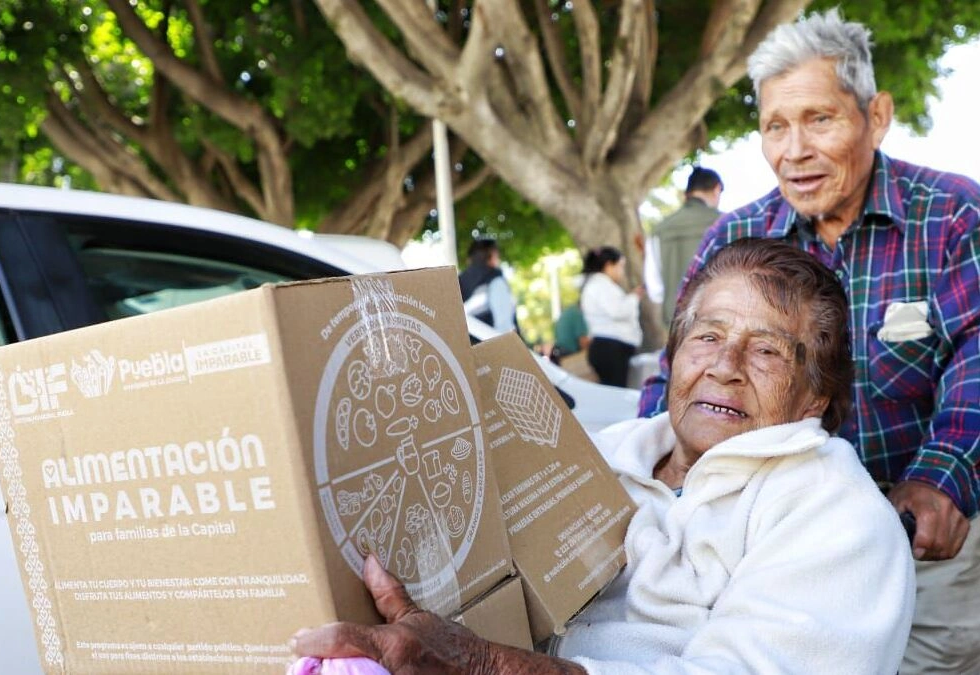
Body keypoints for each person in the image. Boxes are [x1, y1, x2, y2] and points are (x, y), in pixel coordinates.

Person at [291, 238, 915, 674]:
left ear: (816, 398)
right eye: (707, 337)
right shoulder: (601, 454)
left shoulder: (840, 518)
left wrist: (482, 665)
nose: (723, 367)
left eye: (768, 353)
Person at [638, 11, 980, 674]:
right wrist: (645, 463)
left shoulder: (953, 212)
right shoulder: (735, 237)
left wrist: (940, 482)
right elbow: (679, 368)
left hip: (921, 543)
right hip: (767, 546)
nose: (794, 150)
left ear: (876, 115)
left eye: (819, 119)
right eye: (774, 127)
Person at [654, 167, 723, 324]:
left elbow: (655, 288)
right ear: (716, 189)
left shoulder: (661, 229)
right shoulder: (728, 223)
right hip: (718, 320)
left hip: (676, 322)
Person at [580, 247, 642, 387]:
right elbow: (617, 311)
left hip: (610, 348)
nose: (622, 272)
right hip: (610, 349)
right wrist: (633, 298)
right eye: (620, 266)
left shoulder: (599, 285)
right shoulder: (600, 285)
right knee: (617, 393)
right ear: (609, 265)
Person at [459, 239, 518, 335]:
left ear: (469, 259)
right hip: (490, 345)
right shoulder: (496, 281)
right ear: (492, 255)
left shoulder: (459, 282)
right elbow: (504, 328)